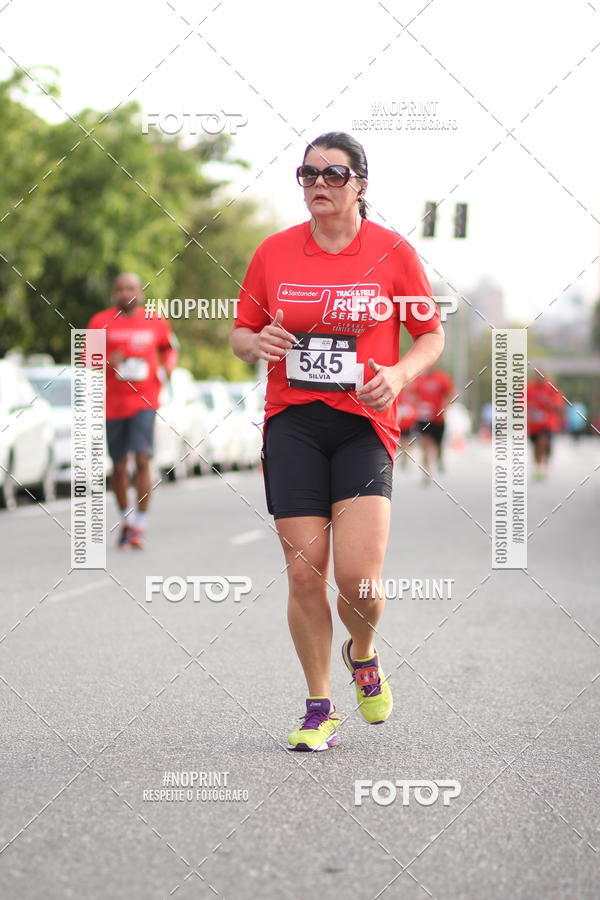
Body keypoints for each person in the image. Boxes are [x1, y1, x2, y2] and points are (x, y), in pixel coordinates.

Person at [230, 132, 445, 751]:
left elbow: (427, 335)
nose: (317, 184)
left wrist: (400, 374)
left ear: (361, 185)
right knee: (304, 575)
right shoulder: (273, 253)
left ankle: (364, 651)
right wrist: (257, 343)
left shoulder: (393, 253)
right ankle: (318, 705)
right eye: (307, 174)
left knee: (359, 582)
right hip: (293, 421)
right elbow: (241, 333)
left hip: (363, 426)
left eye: (332, 174)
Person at [87, 273, 177, 549]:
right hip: (113, 405)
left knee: (142, 459)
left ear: (141, 293)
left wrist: (168, 369)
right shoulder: (99, 322)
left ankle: (141, 524)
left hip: (145, 401)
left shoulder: (155, 321)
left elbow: (170, 350)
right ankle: (126, 521)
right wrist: (106, 361)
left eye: (131, 289)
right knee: (119, 465)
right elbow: (87, 360)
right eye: (121, 288)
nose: (126, 293)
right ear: (114, 293)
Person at [413, 366, 455, 480]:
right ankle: (426, 472)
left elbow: (451, 394)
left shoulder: (442, 378)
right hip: (424, 418)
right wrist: (416, 406)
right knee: (425, 444)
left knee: (438, 444)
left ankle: (439, 458)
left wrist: (445, 407)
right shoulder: (419, 379)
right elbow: (413, 394)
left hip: (438, 418)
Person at [527, 370, 564, 479]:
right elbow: (521, 401)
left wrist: (549, 402)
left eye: (540, 376)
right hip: (533, 424)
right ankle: (538, 467)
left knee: (544, 443)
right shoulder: (529, 388)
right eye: (536, 376)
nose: (538, 378)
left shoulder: (551, 387)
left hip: (548, 423)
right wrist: (529, 407)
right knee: (536, 446)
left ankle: (545, 465)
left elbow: (558, 404)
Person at [396, 384, 418, 469]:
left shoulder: (411, 395)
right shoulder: (398, 394)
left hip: (408, 423)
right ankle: (402, 458)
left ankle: (405, 459)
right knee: (400, 441)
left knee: (406, 441)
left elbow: (414, 407)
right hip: (399, 422)